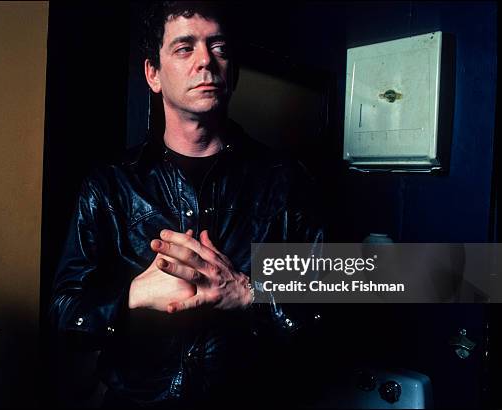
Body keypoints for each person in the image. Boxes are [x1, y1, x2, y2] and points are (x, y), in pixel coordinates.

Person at [49, 2, 323, 407]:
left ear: (235, 72)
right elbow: (62, 313)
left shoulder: (286, 181)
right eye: (184, 48)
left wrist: (250, 293)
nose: (206, 62)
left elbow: (330, 300)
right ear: (153, 74)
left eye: (219, 48)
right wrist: (132, 296)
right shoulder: (109, 186)